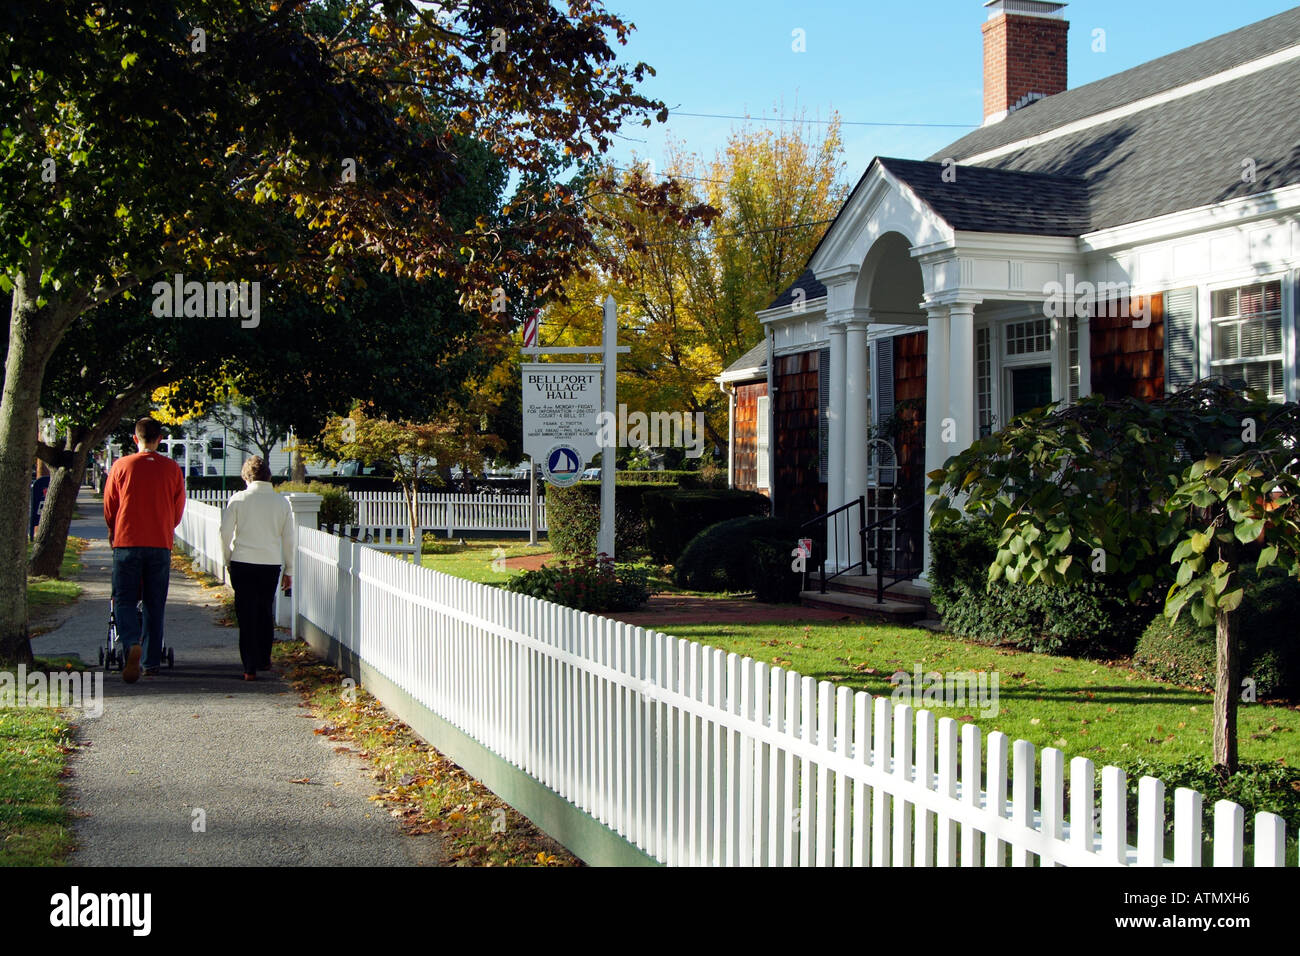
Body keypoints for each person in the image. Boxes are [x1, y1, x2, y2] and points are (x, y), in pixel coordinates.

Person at [103, 417, 187, 683]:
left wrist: (112, 530)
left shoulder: (121, 466)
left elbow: (110, 506)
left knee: (125, 598)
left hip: (127, 541)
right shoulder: (172, 469)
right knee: (154, 602)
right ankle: (151, 661)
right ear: (160, 439)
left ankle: (130, 643)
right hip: (159, 543)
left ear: (134, 438)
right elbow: (178, 508)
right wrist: (164, 526)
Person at [220, 457, 294, 681]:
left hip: (243, 562)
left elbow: (224, 533)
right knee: (263, 611)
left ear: (246, 477)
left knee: (246, 614)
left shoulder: (239, 499)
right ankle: (264, 658)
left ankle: (248, 666)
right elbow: (289, 539)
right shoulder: (281, 503)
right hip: (269, 564)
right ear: (268, 476)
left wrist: (227, 559)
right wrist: (289, 569)